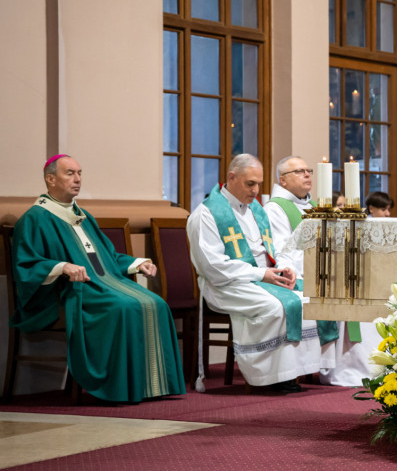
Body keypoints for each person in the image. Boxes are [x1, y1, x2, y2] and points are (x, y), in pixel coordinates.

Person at [11, 155, 186, 403]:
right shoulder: (35, 218)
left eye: (80, 173)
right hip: (69, 293)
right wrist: (62, 267)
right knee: (122, 306)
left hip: (103, 286)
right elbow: (26, 264)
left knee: (156, 303)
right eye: (70, 173)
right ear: (50, 179)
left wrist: (138, 263)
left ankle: (151, 385)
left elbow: (106, 257)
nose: (77, 179)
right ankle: (122, 387)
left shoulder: (83, 216)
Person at [187, 154, 335, 391]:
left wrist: (283, 269)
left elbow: (273, 250)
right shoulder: (206, 214)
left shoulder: (256, 210)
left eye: (258, 184)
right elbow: (212, 266)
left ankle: (291, 373)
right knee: (275, 307)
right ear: (231, 177)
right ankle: (267, 378)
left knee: (308, 299)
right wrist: (261, 274)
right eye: (250, 184)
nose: (256, 191)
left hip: (261, 279)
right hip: (225, 284)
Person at [264, 155, 376, 387]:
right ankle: (344, 367)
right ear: (282, 180)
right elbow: (281, 252)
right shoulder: (275, 209)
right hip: (299, 274)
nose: (307, 174)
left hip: (325, 270)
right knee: (343, 292)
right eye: (299, 171)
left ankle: (369, 365)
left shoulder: (315, 206)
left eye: (309, 170)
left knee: (366, 287)